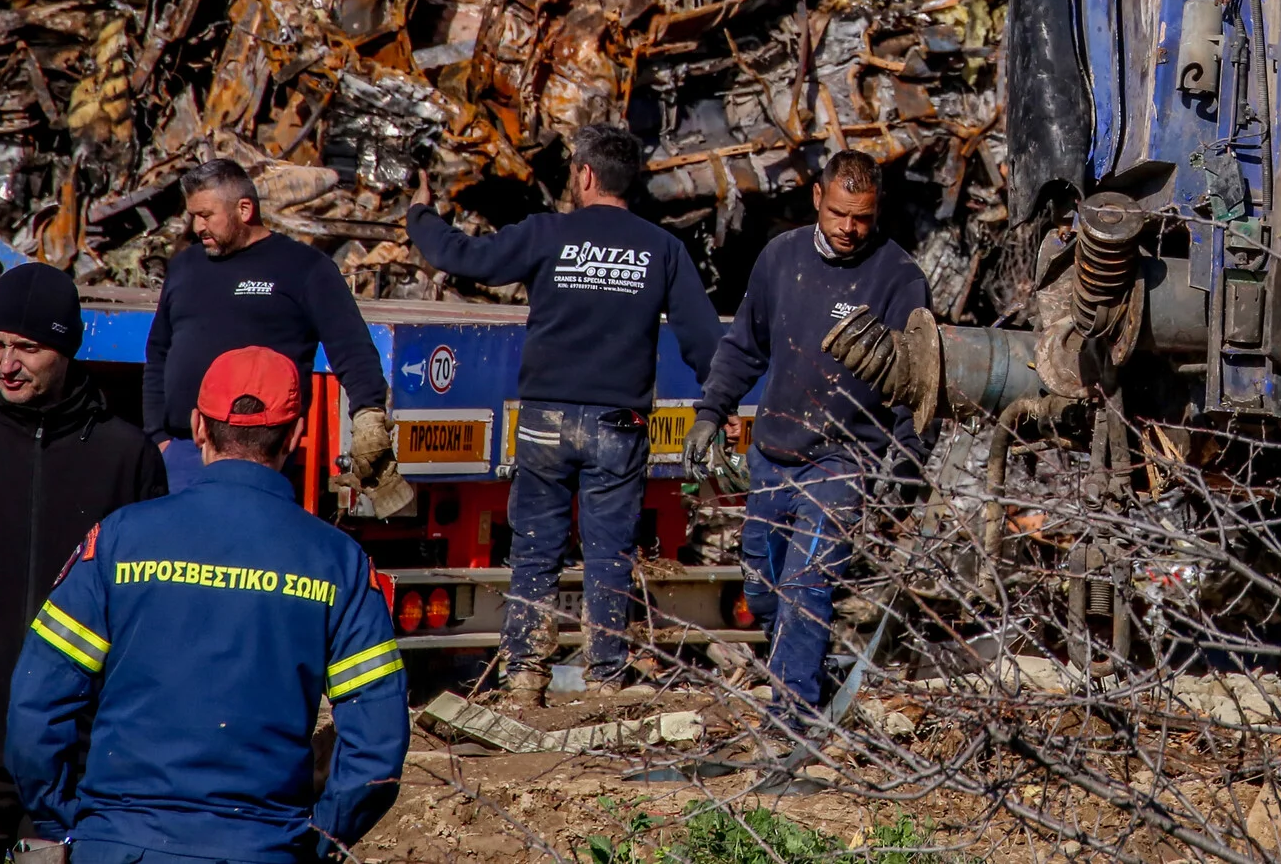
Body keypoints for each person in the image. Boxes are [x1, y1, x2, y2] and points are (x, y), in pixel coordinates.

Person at [7, 344, 407, 864]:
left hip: (118, 843)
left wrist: (70, 822)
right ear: (297, 434)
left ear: (198, 427)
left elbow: (36, 705)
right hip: (263, 846)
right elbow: (378, 741)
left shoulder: (120, 540)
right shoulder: (338, 562)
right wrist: (321, 836)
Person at [406, 122, 724, 700]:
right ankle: (605, 678)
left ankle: (525, 675)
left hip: (545, 422)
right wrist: (719, 409)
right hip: (618, 425)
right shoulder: (662, 249)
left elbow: (462, 257)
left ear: (585, 174)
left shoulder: (548, 234)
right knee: (609, 554)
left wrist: (422, 215)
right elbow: (705, 343)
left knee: (535, 547)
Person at [687, 151, 928, 730]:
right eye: (841, 213)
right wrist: (710, 413)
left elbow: (919, 386)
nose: (849, 229)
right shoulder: (781, 257)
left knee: (806, 588)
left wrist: (908, 462)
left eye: (863, 219)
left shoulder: (899, 278)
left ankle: (790, 721)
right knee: (764, 590)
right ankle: (807, 679)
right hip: (772, 452)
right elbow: (745, 346)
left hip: (843, 462)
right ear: (817, 196)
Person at [0, 265, 164, 863]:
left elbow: (149, 614)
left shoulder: (123, 455)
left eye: (28, 348)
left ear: (68, 346)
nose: (6, 364)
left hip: (75, 763)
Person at [142, 158, 395, 501]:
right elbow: (159, 351)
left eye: (206, 215)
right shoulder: (186, 265)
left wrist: (368, 414)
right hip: (183, 452)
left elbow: (350, 346)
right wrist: (158, 436)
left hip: (259, 454)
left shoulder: (303, 268)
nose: (197, 227)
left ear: (244, 209)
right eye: (193, 216)